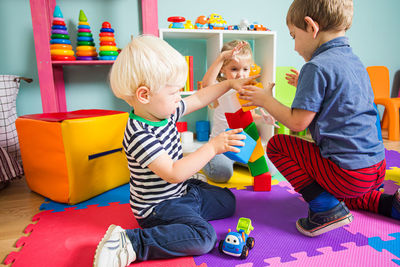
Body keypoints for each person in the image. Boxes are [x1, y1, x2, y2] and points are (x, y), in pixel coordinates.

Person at [238, 0, 400, 237]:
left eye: (294, 36)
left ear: (311, 27)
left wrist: (265, 100)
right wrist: (301, 84)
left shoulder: (316, 67)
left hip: (349, 175)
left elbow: (296, 123)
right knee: (346, 194)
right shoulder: (354, 61)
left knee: (277, 145)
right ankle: (391, 205)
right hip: (375, 168)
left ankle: (325, 210)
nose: (294, 47)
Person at [93, 35, 258, 266]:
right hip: (157, 207)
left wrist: (230, 84)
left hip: (181, 191)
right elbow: (173, 173)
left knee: (228, 201)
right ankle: (131, 242)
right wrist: (212, 146)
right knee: (204, 238)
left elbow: (200, 97)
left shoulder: (164, 112)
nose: (178, 98)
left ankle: (185, 219)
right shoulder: (139, 134)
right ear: (144, 95)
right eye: (173, 93)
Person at [201, 40, 278, 183]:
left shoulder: (250, 89)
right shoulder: (221, 87)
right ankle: (203, 157)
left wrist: (263, 119)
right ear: (223, 69)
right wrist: (221, 57)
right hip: (221, 146)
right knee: (221, 174)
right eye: (234, 69)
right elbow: (206, 85)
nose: (241, 75)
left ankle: (239, 162)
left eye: (245, 69)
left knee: (270, 170)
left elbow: (250, 117)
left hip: (244, 144)